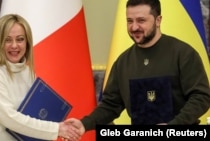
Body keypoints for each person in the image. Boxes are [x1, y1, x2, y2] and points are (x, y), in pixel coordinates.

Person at [66, 0, 210, 133]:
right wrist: (85, 124)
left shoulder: (183, 53)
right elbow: (110, 105)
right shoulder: (122, 62)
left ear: (158, 20)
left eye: (141, 20)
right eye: (130, 21)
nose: (134, 27)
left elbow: (201, 97)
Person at [0, 14, 81, 141]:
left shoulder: (28, 72)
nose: (14, 46)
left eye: (20, 39)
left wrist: (63, 129)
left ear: (27, 42)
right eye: (7, 40)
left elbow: (35, 114)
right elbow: (9, 118)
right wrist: (56, 129)